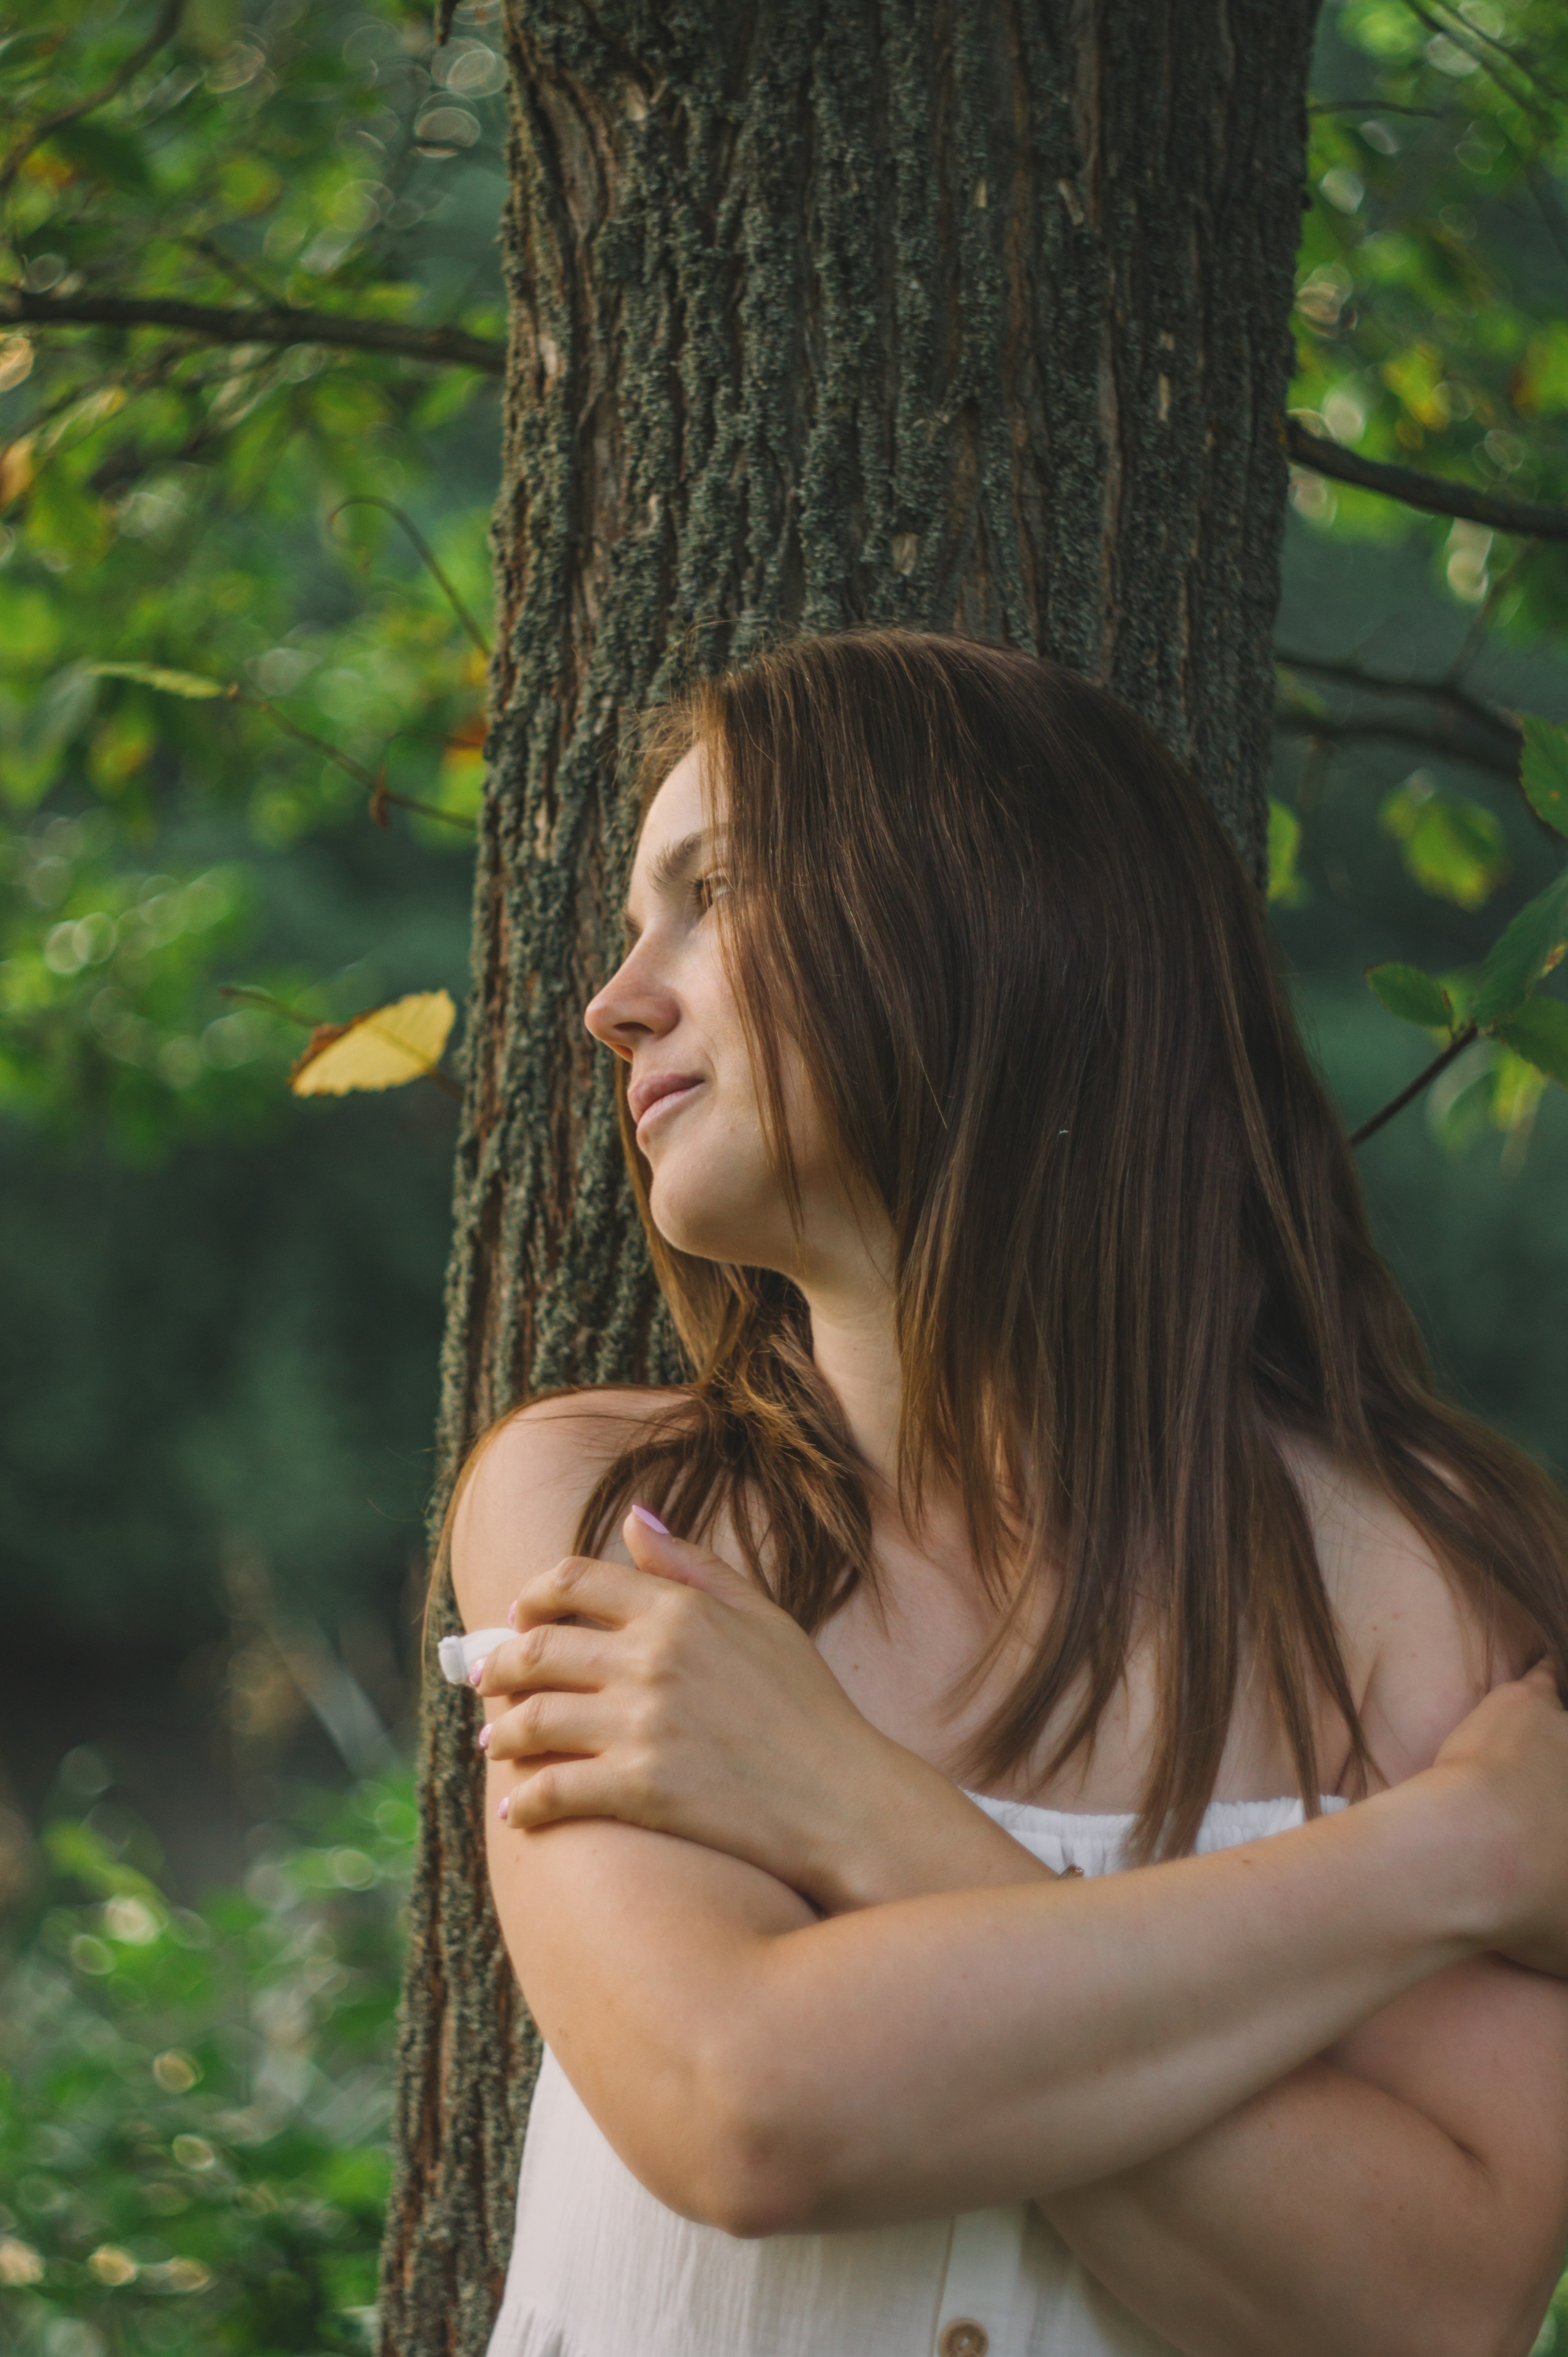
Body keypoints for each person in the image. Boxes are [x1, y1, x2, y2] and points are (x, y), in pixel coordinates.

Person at [451, 631, 1568, 2357]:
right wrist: (1447, 1853)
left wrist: (849, 1807)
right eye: (629, 924)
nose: (617, 999)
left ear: (977, 911)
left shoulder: (1430, 1587)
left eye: (712, 892)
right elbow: (745, 2101)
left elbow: (1431, 2301)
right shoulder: (618, 1521)